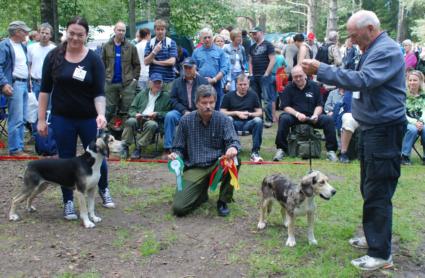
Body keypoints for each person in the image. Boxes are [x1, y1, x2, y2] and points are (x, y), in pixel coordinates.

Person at [302, 10, 406, 271]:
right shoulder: (373, 49)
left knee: (378, 192)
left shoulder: (387, 50)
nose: (352, 40)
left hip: (384, 131)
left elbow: (364, 80)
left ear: (370, 28)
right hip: (371, 129)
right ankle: (375, 239)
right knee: (369, 188)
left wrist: (323, 69)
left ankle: (381, 254)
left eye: (355, 35)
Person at [38, 16, 115, 220]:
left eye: (80, 35)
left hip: (89, 118)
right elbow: (44, 91)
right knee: (65, 160)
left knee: (99, 157)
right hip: (62, 118)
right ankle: (68, 201)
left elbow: (99, 93)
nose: (75, 38)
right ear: (66, 33)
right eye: (71, 33)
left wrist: (100, 114)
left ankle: (103, 189)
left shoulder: (93, 59)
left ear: (86, 36)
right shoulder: (53, 56)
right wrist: (40, 120)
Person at [168, 85, 241, 217]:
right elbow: (178, 148)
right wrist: (175, 155)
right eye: (204, 103)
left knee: (235, 160)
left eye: (211, 102)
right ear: (196, 103)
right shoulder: (185, 121)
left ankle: (223, 200)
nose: (208, 106)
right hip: (195, 167)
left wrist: (232, 148)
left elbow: (233, 141)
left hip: (217, 164)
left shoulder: (224, 120)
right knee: (179, 208)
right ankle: (201, 195)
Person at [273, 65, 338, 162]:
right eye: (295, 77)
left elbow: (320, 105)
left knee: (328, 120)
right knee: (283, 118)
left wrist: (316, 115)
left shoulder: (315, 86)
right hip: (295, 117)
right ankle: (281, 149)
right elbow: (285, 107)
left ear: (305, 75)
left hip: (312, 117)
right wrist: (297, 114)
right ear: (292, 77)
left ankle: (331, 151)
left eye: (300, 76)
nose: (298, 79)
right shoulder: (288, 87)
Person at [163, 57, 208, 156]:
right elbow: (173, 99)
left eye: (189, 67)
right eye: (185, 67)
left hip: (198, 111)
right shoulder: (177, 82)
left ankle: (200, 148)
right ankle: (168, 148)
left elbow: (207, 99)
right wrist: (183, 111)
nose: (187, 70)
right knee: (170, 116)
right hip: (181, 111)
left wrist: (197, 111)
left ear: (195, 68)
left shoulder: (203, 82)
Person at [120, 73, 171, 159]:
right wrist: (136, 114)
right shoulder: (142, 94)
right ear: (150, 83)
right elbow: (132, 109)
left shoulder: (166, 96)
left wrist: (157, 114)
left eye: (159, 83)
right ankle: (125, 147)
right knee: (130, 121)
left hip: (154, 120)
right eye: (155, 83)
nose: (157, 85)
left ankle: (138, 148)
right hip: (140, 118)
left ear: (162, 84)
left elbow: (168, 113)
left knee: (152, 124)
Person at [0, 21, 31, 156]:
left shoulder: (22, 46)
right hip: (14, 84)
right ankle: (14, 149)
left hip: (23, 84)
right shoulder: (4, 45)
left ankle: (19, 145)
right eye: (25, 31)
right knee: (16, 118)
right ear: (17, 32)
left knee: (23, 117)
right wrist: (4, 84)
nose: (27, 33)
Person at [102, 21, 140, 123]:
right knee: (109, 109)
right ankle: (108, 132)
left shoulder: (131, 47)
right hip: (110, 82)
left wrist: (135, 79)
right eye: (119, 30)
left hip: (127, 83)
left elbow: (137, 64)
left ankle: (125, 133)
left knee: (127, 109)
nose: (121, 32)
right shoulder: (106, 46)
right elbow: (101, 64)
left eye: (123, 30)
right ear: (114, 30)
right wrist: (104, 78)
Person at [220, 74, 263, 162]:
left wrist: (250, 114)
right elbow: (222, 111)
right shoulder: (229, 96)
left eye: (245, 84)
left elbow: (260, 112)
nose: (243, 87)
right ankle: (232, 149)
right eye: (240, 84)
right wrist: (236, 113)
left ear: (248, 84)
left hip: (248, 123)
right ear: (236, 84)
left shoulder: (253, 95)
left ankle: (255, 152)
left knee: (258, 121)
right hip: (234, 123)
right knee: (228, 119)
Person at [192, 27, 229, 110]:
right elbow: (193, 69)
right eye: (205, 37)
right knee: (201, 108)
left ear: (212, 38)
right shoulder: (196, 52)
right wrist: (202, 79)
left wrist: (214, 79)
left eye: (209, 37)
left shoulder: (220, 51)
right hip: (200, 85)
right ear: (201, 39)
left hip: (216, 85)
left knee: (216, 108)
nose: (207, 39)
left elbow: (224, 68)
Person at [248, 26, 275, 128]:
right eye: (252, 33)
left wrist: (267, 73)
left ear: (261, 32)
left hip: (265, 76)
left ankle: (268, 120)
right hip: (254, 76)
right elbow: (250, 61)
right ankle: (259, 118)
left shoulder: (268, 45)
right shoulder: (252, 47)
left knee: (267, 99)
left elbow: (272, 60)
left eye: (255, 33)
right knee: (256, 99)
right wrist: (250, 74)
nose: (253, 35)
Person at [144, 19, 178, 91]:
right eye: (158, 29)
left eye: (162, 29)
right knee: (153, 101)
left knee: (168, 102)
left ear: (165, 30)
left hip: (168, 81)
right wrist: (154, 52)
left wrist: (155, 62)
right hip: (153, 80)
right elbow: (146, 62)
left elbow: (172, 62)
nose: (160, 31)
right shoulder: (150, 43)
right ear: (155, 30)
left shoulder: (171, 43)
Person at [401, 70, 425, 165]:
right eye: (410, 80)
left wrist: (421, 122)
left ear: (420, 81)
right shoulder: (403, 95)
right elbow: (402, 113)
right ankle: (405, 156)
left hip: (422, 122)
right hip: (406, 121)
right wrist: (415, 122)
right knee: (412, 129)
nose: (412, 82)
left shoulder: (424, 96)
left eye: (415, 80)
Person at [28, 23, 56, 100]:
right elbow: (29, 65)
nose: (44, 35)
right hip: (35, 83)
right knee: (36, 109)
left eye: (47, 33)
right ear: (38, 33)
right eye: (42, 33)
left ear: (50, 35)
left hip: (50, 83)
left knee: (49, 109)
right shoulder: (31, 48)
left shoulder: (54, 50)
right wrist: (29, 80)